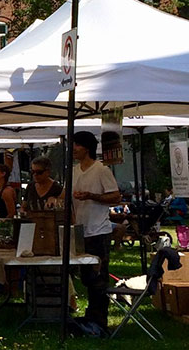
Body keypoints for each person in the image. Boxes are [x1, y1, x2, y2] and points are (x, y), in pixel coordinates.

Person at [72, 130, 121, 330]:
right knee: (86, 277)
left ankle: (99, 321)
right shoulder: (74, 170)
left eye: (77, 145)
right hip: (80, 231)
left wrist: (91, 196)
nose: (73, 149)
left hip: (99, 231)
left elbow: (115, 197)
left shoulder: (101, 170)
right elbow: (67, 194)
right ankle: (91, 315)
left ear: (87, 148)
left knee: (98, 278)